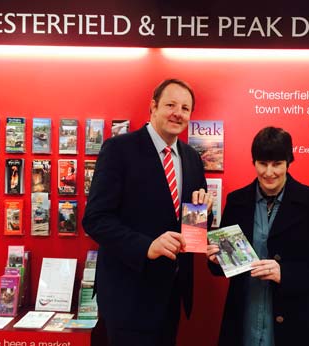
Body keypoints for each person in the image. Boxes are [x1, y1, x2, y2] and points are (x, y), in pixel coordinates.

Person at [82, 78, 212, 346]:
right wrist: (146, 246)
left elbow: (192, 231)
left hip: (171, 294)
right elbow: (95, 219)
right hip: (128, 295)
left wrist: (201, 213)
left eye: (185, 108)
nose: (178, 113)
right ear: (153, 106)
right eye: (171, 104)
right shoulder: (119, 149)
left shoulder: (191, 158)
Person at [207, 126, 309, 346]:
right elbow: (222, 266)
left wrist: (286, 273)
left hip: (297, 324)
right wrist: (216, 260)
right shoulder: (237, 201)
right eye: (262, 163)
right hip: (245, 320)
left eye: (277, 164)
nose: (269, 172)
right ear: (254, 162)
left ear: (288, 163)